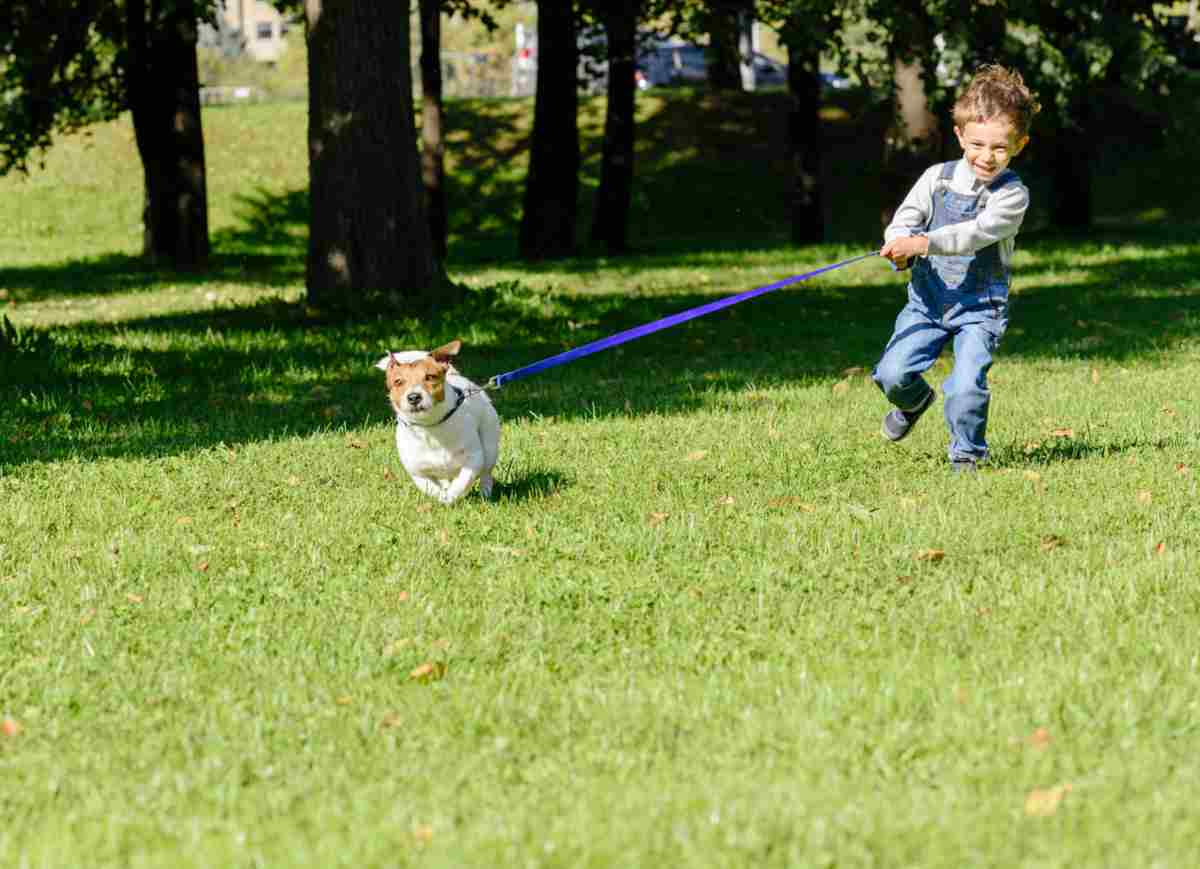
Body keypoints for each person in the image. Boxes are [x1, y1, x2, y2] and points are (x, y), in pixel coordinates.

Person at [874, 64, 1041, 473]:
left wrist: (924, 243)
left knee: (966, 387)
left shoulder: (1012, 195)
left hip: (980, 309)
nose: (987, 156)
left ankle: (967, 454)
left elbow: (974, 235)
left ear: (1020, 144)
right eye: (978, 144)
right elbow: (906, 218)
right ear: (960, 135)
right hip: (927, 304)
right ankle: (914, 401)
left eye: (1000, 147)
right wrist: (900, 242)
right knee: (891, 374)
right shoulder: (937, 178)